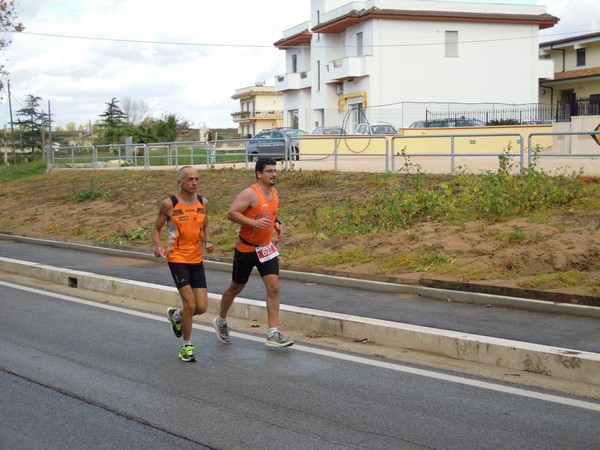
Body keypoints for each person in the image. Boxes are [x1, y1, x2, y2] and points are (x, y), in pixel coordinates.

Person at [213, 157, 293, 348]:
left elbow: (269, 213)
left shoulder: (274, 193)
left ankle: (273, 333)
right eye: (269, 171)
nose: (274, 174)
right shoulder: (250, 193)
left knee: (274, 287)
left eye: (275, 170)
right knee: (236, 287)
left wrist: (276, 223)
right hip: (246, 249)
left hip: (265, 248)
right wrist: (253, 223)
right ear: (259, 174)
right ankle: (221, 321)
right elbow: (231, 213)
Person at [152, 165, 215, 362]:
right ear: (180, 183)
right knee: (190, 304)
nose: (194, 183)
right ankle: (186, 347)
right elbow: (156, 229)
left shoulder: (203, 202)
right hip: (177, 258)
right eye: (189, 179)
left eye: (196, 179)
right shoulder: (169, 204)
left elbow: (204, 224)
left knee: (202, 307)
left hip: (196, 258)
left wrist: (207, 240)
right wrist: (158, 246)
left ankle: (177, 316)